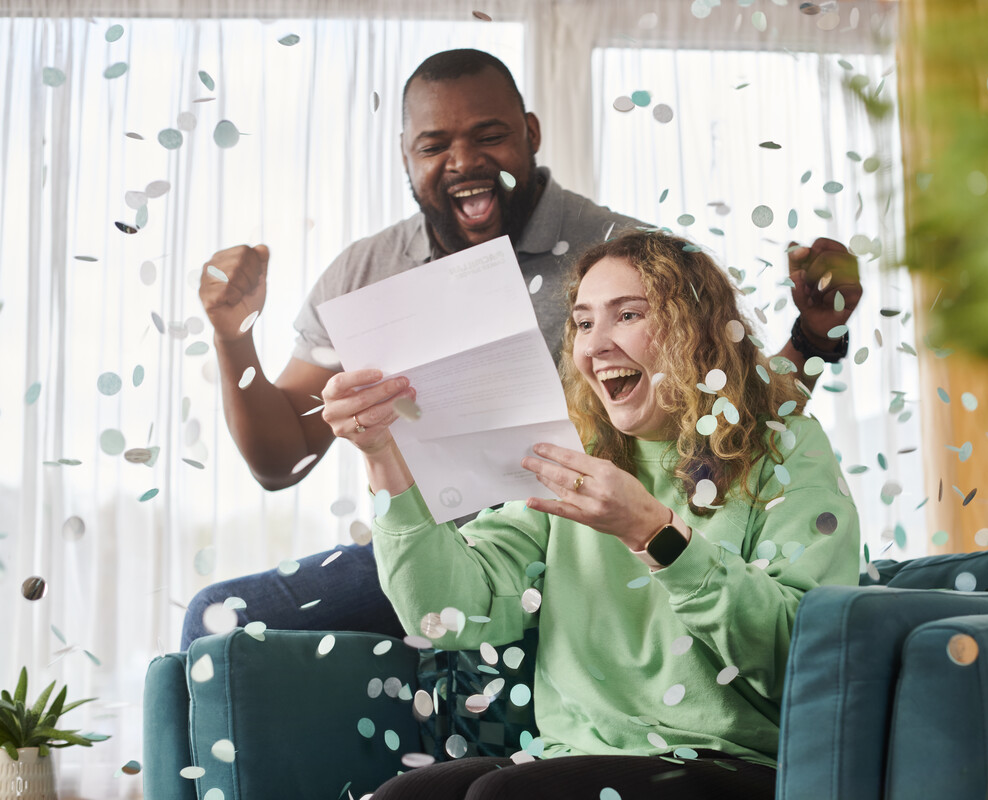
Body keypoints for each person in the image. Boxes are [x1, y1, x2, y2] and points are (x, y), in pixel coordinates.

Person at [183, 48, 861, 648]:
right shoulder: (366, 272)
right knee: (217, 619)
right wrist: (232, 335)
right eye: (433, 145)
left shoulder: (622, 256)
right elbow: (281, 463)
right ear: (405, 155)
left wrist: (810, 338)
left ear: (531, 134)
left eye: (490, 136)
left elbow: (732, 411)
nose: (464, 162)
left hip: (581, 549)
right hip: (441, 547)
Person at [322, 230, 860, 799]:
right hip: (572, 756)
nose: (595, 346)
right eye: (582, 323)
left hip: (735, 764)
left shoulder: (787, 448)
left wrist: (655, 534)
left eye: (627, 315)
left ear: (697, 331)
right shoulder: (576, 459)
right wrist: (382, 455)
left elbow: (806, 657)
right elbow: (443, 612)